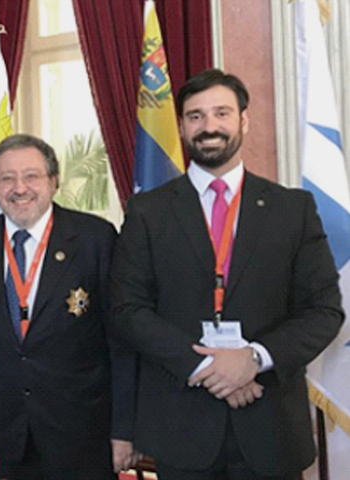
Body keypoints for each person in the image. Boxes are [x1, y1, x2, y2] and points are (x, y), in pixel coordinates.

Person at [110, 68, 344, 479]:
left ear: (243, 120)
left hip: (271, 427)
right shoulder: (147, 212)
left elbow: (323, 311)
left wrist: (253, 359)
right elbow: (127, 310)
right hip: (182, 430)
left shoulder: (293, 209)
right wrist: (208, 368)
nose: (209, 126)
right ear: (182, 126)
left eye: (221, 113)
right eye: (196, 116)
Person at [0, 134, 138, 480]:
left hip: (84, 434)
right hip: (9, 434)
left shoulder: (95, 238)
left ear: (54, 182)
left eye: (31, 176)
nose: (19, 188)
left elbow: (121, 342)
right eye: (7, 178)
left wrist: (124, 429)